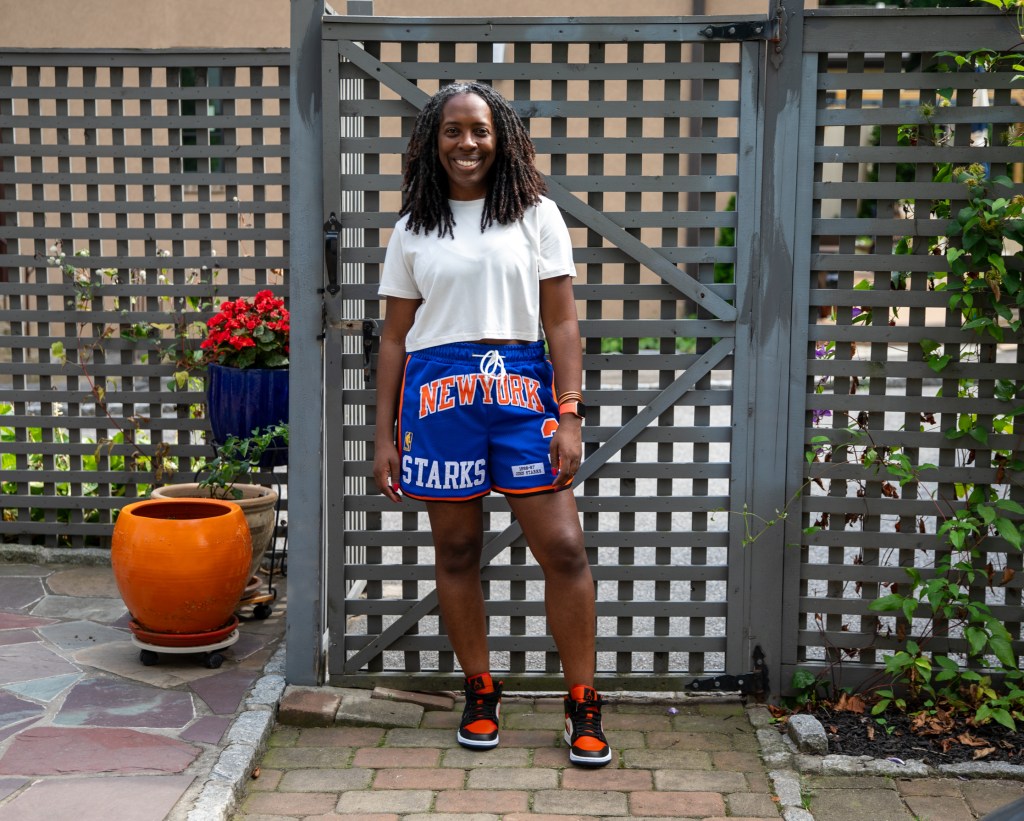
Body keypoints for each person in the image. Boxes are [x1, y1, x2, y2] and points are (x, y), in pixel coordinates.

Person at [372, 81, 611, 768]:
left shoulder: (536, 214)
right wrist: (382, 435)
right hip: (438, 396)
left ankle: (582, 701)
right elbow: (394, 338)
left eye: (479, 129)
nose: (467, 143)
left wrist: (569, 411)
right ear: (433, 141)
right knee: (456, 551)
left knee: (563, 547)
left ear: (500, 136)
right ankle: (480, 689)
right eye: (453, 130)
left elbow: (561, 322)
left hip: (520, 388)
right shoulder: (414, 227)